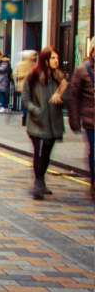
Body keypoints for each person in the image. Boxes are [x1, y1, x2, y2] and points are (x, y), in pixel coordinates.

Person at [23, 46, 68, 200]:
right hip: (37, 122)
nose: (56, 61)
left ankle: (40, 180)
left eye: (57, 58)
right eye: (53, 58)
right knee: (37, 151)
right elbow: (26, 99)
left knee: (46, 154)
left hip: (53, 123)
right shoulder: (33, 77)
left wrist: (60, 95)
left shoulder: (60, 78)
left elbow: (67, 101)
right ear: (45, 60)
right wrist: (37, 111)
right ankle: (38, 182)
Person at [68, 46, 94, 200]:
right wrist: (74, 120)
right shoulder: (82, 70)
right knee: (94, 151)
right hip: (91, 120)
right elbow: (74, 96)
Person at [14, 50, 37, 126]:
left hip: (32, 85)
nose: (34, 57)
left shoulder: (34, 64)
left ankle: (29, 118)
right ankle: (25, 117)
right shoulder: (21, 64)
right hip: (24, 86)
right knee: (26, 102)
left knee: (31, 101)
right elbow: (17, 74)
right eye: (33, 55)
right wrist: (28, 74)